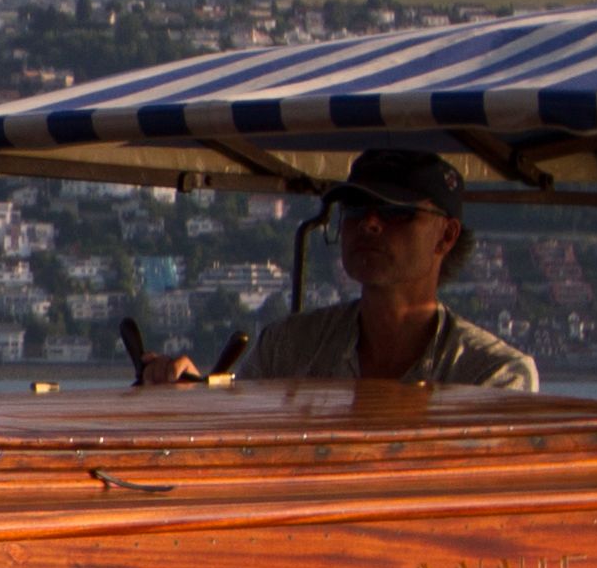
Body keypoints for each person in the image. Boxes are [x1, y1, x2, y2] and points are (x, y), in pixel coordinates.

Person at [228, 147, 538, 388]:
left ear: (446, 236)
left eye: (395, 211)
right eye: (355, 207)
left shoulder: (494, 374)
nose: (370, 223)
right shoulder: (285, 347)